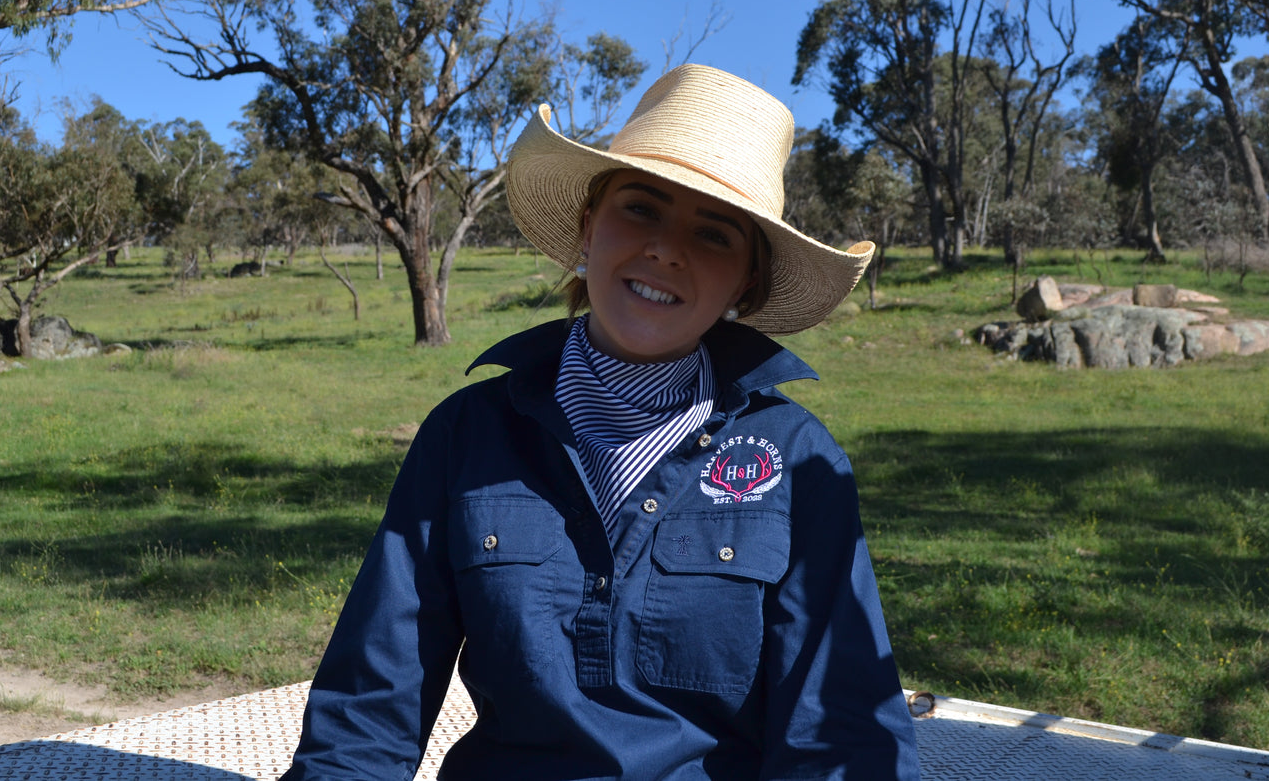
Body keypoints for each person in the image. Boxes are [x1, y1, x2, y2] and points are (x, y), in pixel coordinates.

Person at [282, 64, 921, 780]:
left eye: (713, 234)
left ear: (745, 281)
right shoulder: (467, 434)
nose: (666, 250)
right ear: (589, 228)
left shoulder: (798, 458)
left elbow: (843, 732)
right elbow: (369, 706)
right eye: (641, 209)